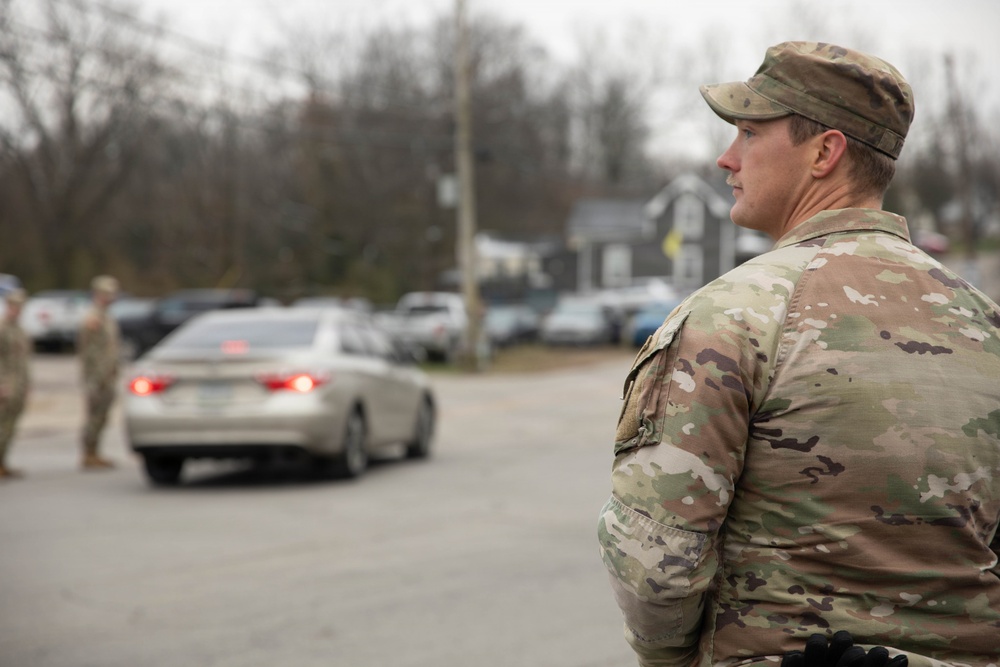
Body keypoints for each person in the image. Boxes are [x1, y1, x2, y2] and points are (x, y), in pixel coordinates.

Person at [598, 41, 1000, 667]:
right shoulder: (986, 323)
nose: (726, 158)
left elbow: (655, 560)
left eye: (750, 133)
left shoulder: (731, 316)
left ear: (824, 152)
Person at [78, 275, 121, 470]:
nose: (109, 297)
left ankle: (95, 452)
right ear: (97, 294)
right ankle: (88, 453)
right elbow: (86, 351)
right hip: (96, 376)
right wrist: (92, 377)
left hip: (108, 374)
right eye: (106, 294)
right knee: (93, 415)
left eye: (111, 294)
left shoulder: (107, 317)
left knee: (102, 415)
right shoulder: (92, 318)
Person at [0, 288, 30, 479]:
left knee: (10, 426)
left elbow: (23, 360)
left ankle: (3, 462)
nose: (16, 310)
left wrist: (27, 383)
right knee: (2, 425)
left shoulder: (20, 330)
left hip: (18, 384)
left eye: (20, 306)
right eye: (13, 306)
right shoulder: (2, 330)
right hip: (5, 385)